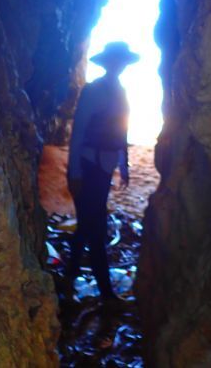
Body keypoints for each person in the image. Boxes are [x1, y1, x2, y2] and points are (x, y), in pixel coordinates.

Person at [64, 41, 138, 302]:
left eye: (121, 61)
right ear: (107, 63)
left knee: (86, 227)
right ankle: (106, 293)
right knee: (94, 229)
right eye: (114, 60)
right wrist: (74, 173)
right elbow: (79, 132)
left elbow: (121, 130)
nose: (118, 65)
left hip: (103, 169)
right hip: (88, 167)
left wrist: (124, 166)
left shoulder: (121, 92)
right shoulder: (93, 91)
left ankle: (68, 281)